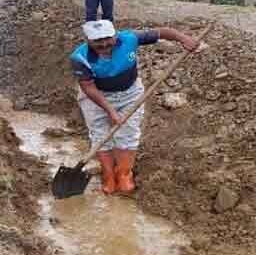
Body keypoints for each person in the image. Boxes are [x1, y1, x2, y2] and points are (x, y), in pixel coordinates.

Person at [69, 20, 198, 195]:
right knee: (100, 134)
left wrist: (182, 38)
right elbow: (88, 87)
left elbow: (161, 31)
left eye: (108, 38)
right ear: (88, 40)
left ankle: (123, 174)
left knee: (127, 133)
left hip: (130, 93)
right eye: (98, 41)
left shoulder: (129, 38)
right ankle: (108, 175)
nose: (104, 44)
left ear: (115, 35)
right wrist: (111, 111)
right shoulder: (79, 57)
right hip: (97, 97)